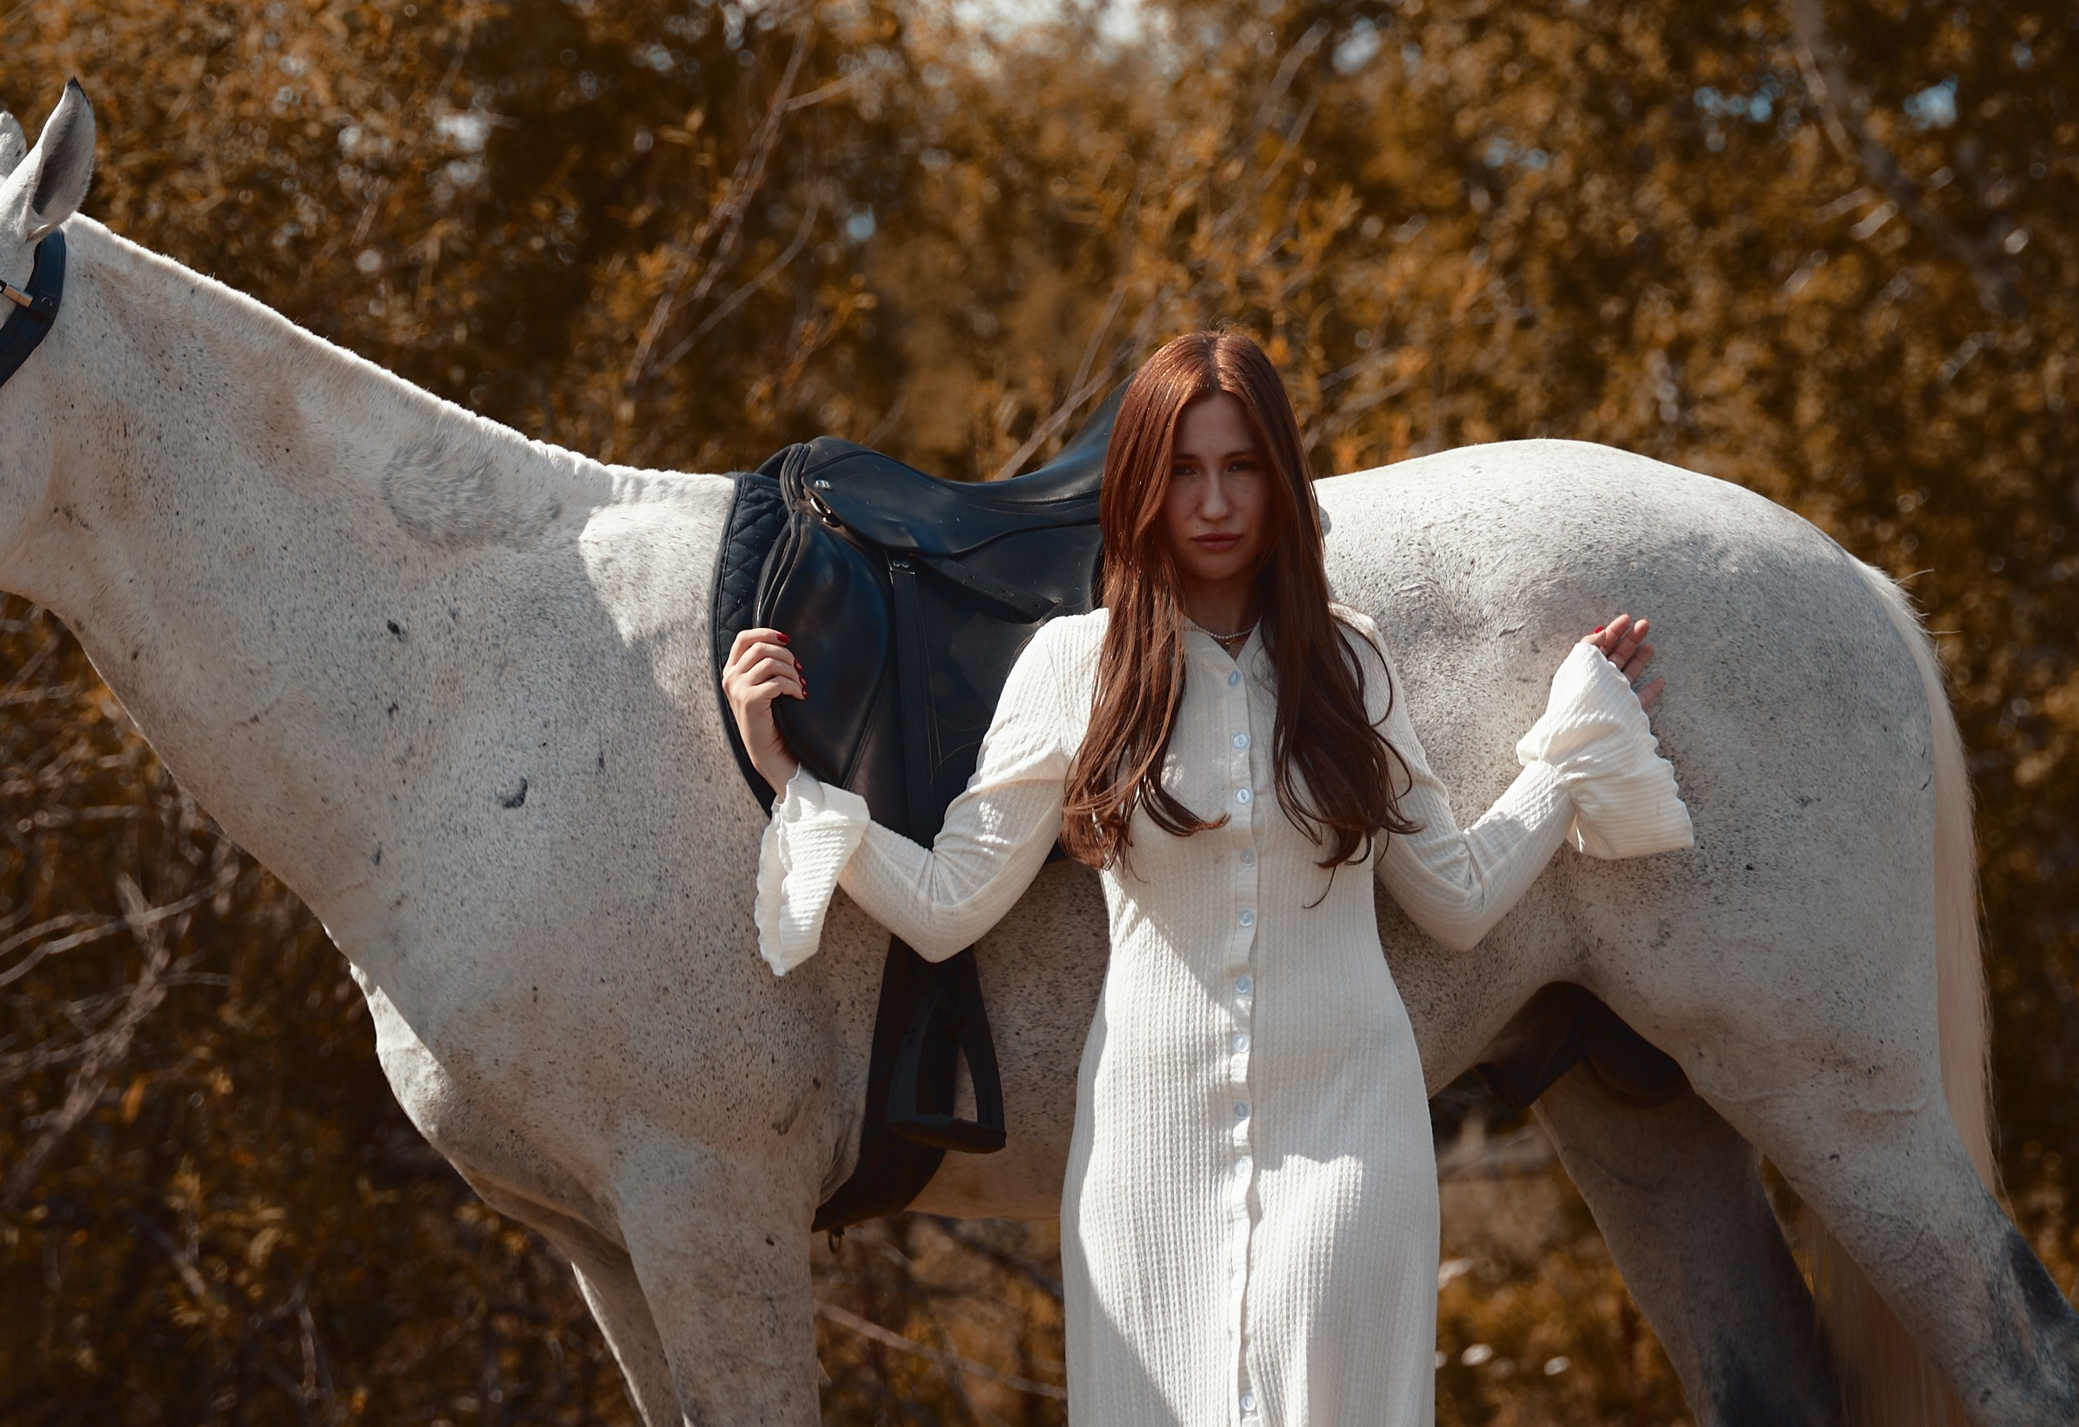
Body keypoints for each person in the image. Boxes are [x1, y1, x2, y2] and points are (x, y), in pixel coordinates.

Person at [720, 331, 1693, 1426]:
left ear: (1280, 482)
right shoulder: (1073, 667)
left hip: (1353, 1138)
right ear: (1141, 483)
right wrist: (789, 777)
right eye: (1184, 470)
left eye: (1241, 467)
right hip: (1146, 1159)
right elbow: (947, 909)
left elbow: (1455, 898)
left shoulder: (1350, 660)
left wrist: (1570, 758)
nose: (1215, 502)